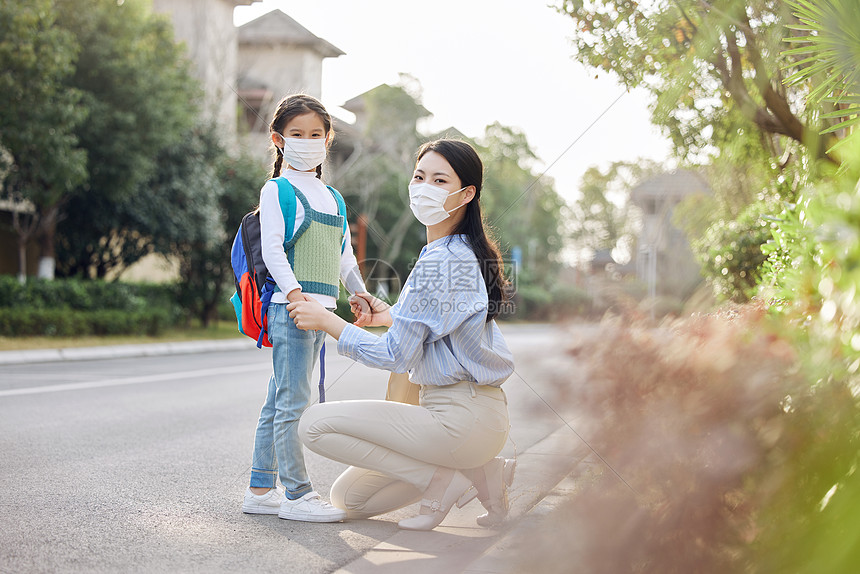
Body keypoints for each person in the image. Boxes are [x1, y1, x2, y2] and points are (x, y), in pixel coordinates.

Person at [288, 139, 516, 531]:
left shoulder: (443, 259)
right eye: (419, 176)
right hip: (475, 421)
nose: (424, 186)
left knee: (314, 425)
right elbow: (439, 329)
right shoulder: (455, 252)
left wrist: (329, 322)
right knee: (351, 500)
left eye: (440, 180)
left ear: (466, 194)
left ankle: (439, 482)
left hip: (458, 419)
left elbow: (396, 357)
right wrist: (390, 315)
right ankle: (482, 473)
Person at [241, 94, 370, 522]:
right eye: (297, 134)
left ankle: (261, 490)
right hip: (291, 309)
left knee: (279, 399)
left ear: (328, 139)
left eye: (316, 134)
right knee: (293, 404)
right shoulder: (276, 189)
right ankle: (297, 495)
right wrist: (296, 296)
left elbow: (344, 255)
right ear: (279, 139)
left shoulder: (333, 196)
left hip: (321, 311)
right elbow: (274, 250)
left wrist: (359, 292)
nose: (307, 141)